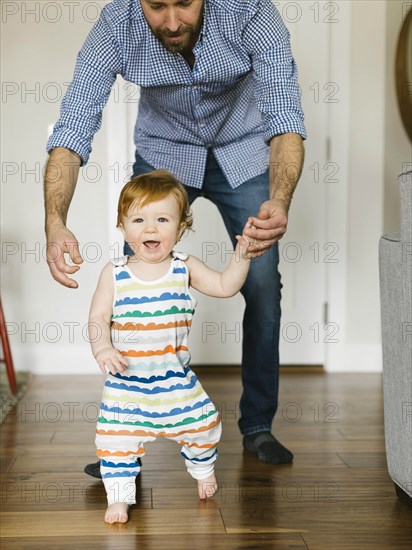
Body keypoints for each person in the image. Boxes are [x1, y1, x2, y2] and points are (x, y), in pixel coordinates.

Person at [44, 0, 306, 471]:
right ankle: (125, 445)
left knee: (263, 285)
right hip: (164, 159)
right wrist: (55, 220)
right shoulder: (118, 22)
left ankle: (257, 425)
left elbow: (285, 120)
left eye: (183, 3)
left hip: (244, 154)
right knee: (131, 294)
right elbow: (73, 125)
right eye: (156, 6)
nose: (170, 22)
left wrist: (280, 199)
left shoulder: (251, 11)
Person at [89, 169, 252, 523]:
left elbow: (226, 286)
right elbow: (98, 318)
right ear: (122, 226)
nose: (150, 228)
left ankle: (202, 469)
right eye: (139, 219)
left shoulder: (184, 267)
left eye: (162, 219)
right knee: (115, 442)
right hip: (126, 387)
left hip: (174, 380)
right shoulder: (114, 273)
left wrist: (242, 256)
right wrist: (102, 348)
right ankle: (118, 498)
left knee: (202, 424)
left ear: (179, 229)